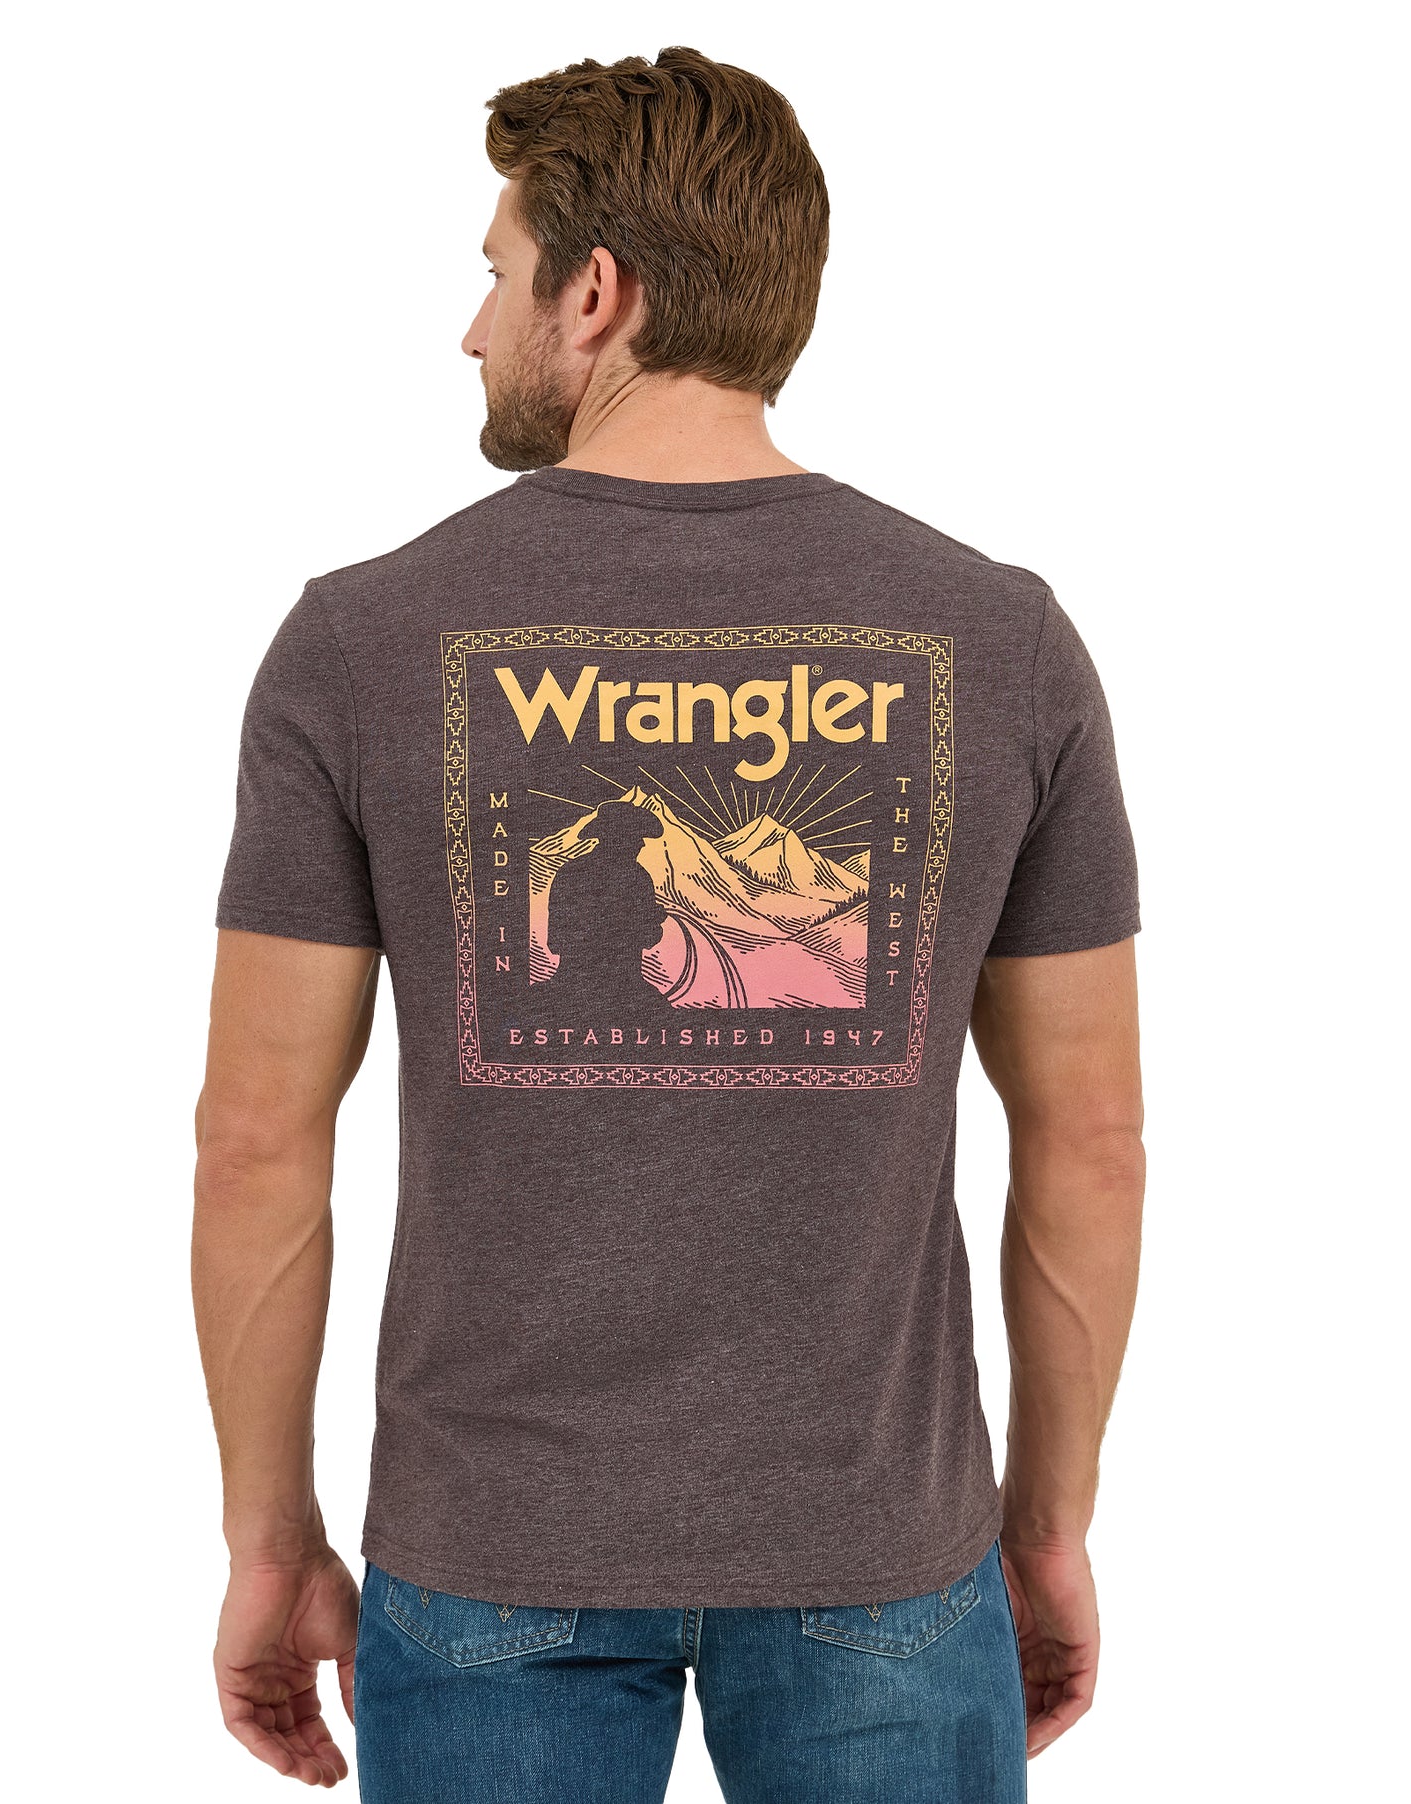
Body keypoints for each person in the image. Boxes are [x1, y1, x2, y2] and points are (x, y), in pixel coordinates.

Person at [192, 44, 1145, 1804]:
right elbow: (1088, 1138)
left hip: (489, 1548)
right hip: (881, 1550)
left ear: (596, 294)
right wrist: (1046, 1528)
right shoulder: (996, 640)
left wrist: (269, 1542)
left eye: (495, 273)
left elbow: (256, 1139)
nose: (470, 329)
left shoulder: (361, 641)